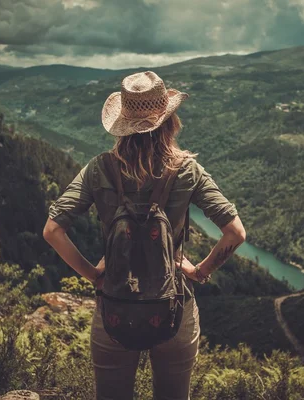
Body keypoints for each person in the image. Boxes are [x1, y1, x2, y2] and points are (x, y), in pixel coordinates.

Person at [43, 71, 246, 400]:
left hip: (115, 305)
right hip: (175, 306)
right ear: (169, 121)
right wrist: (199, 272)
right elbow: (235, 233)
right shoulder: (187, 170)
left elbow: (52, 230)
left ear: (122, 123)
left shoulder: (100, 168)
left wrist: (94, 275)